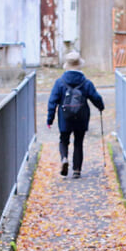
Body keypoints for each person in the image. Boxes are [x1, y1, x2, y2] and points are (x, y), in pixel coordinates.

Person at [46, 51, 105, 179]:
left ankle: (64, 158)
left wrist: (50, 119)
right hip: (81, 117)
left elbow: (52, 102)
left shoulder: (60, 82)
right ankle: (77, 170)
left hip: (65, 118)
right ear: (79, 65)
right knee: (78, 142)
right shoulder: (86, 83)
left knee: (64, 139)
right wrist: (101, 107)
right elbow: (95, 97)